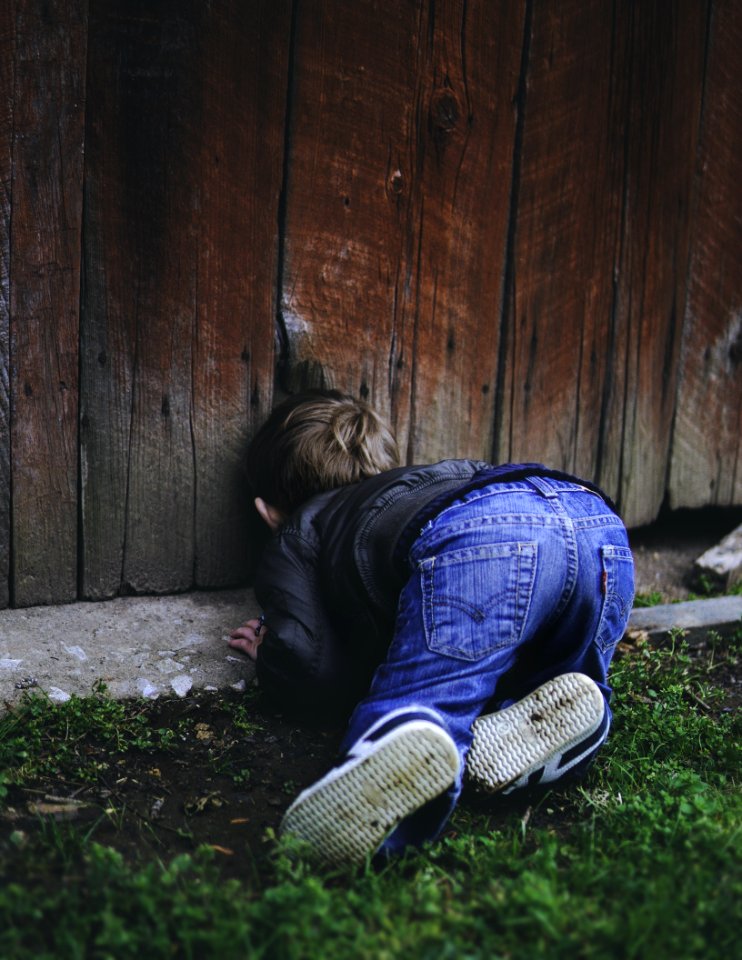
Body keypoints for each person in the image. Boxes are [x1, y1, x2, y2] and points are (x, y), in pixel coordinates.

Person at [229, 389, 634, 864]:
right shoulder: (426, 482)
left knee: (428, 696)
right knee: (517, 655)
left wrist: (272, 656)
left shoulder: (300, 527)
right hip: (593, 521)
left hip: (482, 536)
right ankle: (562, 707)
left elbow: (306, 662)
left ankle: (416, 727)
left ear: (267, 512)